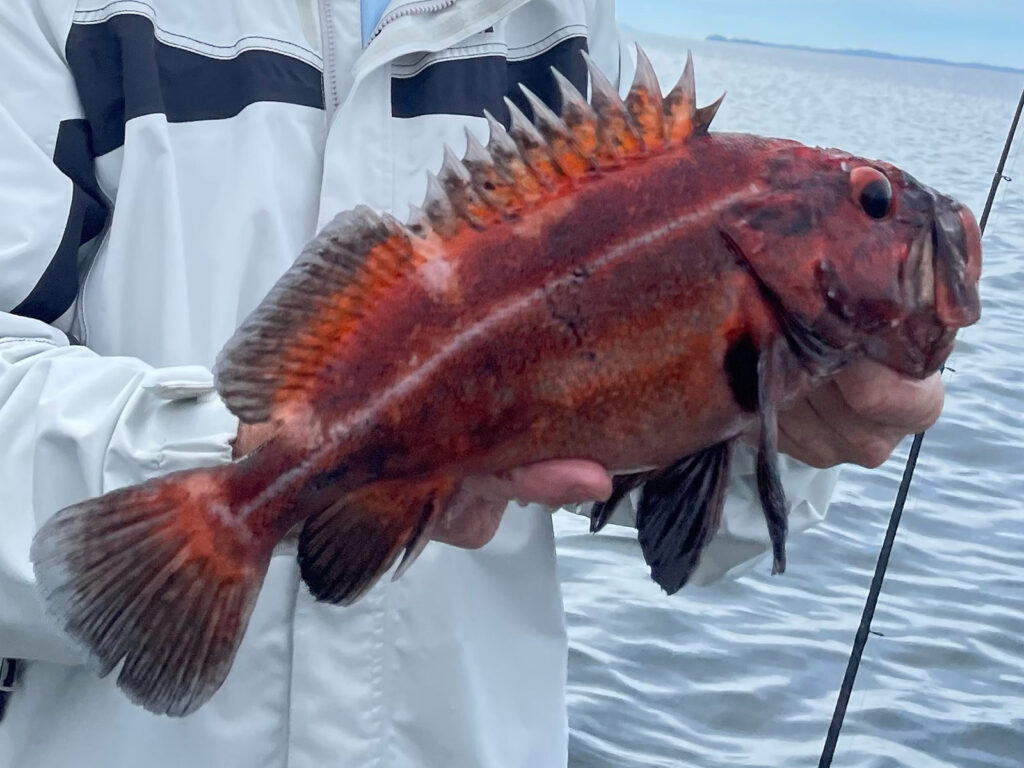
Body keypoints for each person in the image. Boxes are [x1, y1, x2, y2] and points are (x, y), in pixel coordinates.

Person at [0, 1, 944, 766]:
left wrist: (776, 437)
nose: (887, 218)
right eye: (870, 200)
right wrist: (247, 457)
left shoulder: (570, 32)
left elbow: (666, 516)